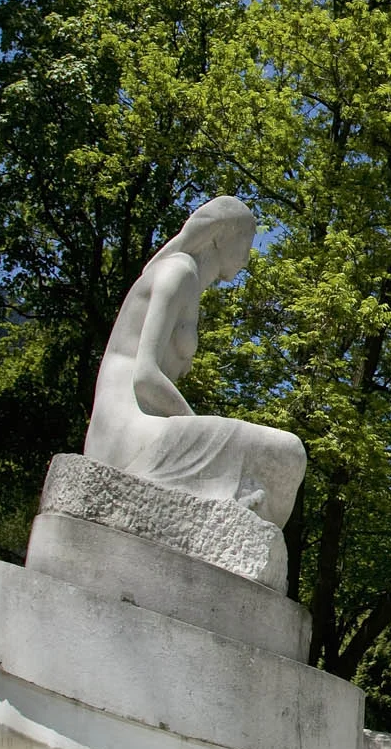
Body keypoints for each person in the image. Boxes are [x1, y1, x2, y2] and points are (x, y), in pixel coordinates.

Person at [84, 196, 307, 527]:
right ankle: (240, 522)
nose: (247, 257)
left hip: (144, 427)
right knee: (287, 451)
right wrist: (192, 423)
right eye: (246, 241)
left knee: (287, 454)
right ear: (220, 235)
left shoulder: (187, 281)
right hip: (124, 436)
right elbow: (144, 377)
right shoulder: (178, 273)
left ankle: (244, 525)